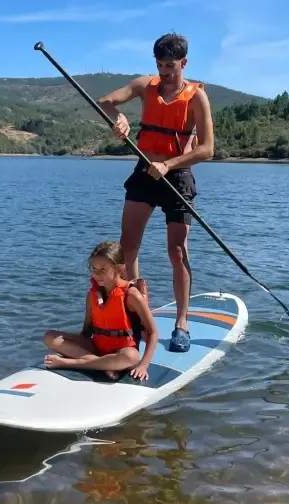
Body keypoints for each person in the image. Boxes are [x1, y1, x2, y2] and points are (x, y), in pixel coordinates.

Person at [97, 32, 215, 353]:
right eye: (160, 64)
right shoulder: (144, 85)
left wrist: (170, 164)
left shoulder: (196, 97)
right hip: (144, 172)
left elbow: (207, 149)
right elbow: (105, 102)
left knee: (177, 252)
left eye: (170, 65)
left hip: (177, 176)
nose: (164, 71)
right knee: (128, 249)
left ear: (184, 63)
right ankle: (136, 317)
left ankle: (181, 323)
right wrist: (117, 118)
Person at [43, 240, 158, 381]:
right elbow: (87, 331)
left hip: (122, 352)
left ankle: (74, 363)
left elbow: (153, 333)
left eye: (103, 269)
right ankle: (103, 364)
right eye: (93, 269)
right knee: (50, 337)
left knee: (131, 356)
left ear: (120, 269)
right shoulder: (92, 295)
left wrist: (143, 365)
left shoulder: (131, 295)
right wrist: (73, 346)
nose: (97, 274)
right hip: (98, 348)